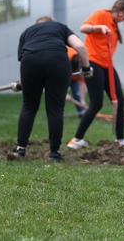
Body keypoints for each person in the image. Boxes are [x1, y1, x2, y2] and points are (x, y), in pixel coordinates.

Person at [11, 16, 93, 162]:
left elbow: (28, 57)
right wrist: (86, 68)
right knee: (55, 109)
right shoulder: (60, 27)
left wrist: (20, 84)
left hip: (30, 62)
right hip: (57, 61)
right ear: (52, 23)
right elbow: (80, 47)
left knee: (29, 106)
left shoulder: (27, 32)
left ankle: (20, 150)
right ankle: (54, 153)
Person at [67, 0, 124, 149]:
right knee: (96, 103)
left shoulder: (114, 26)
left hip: (107, 65)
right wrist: (99, 28)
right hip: (92, 61)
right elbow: (83, 28)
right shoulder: (100, 15)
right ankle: (76, 140)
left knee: (119, 100)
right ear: (119, 8)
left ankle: (120, 139)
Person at [67, 46, 88, 118]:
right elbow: (55, 82)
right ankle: (55, 113)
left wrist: (82, 100)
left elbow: (82, 83)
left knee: (77, 94)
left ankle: (81, 112)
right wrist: (63, 94)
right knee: (58, 98)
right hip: (63, 76)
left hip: (73, 78)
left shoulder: (82, 63)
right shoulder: (64, 61)